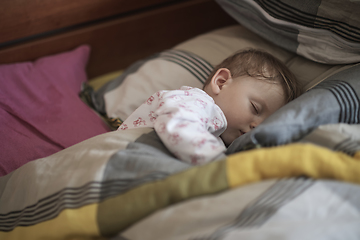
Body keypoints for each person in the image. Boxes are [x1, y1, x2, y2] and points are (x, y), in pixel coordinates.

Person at [118, 49, 301, 165]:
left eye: (266, 123)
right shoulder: (196, 102)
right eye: (255, 108)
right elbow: (178, 124)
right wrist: (220, 166)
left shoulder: (218, 134)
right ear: (221, 83)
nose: (257, 126)